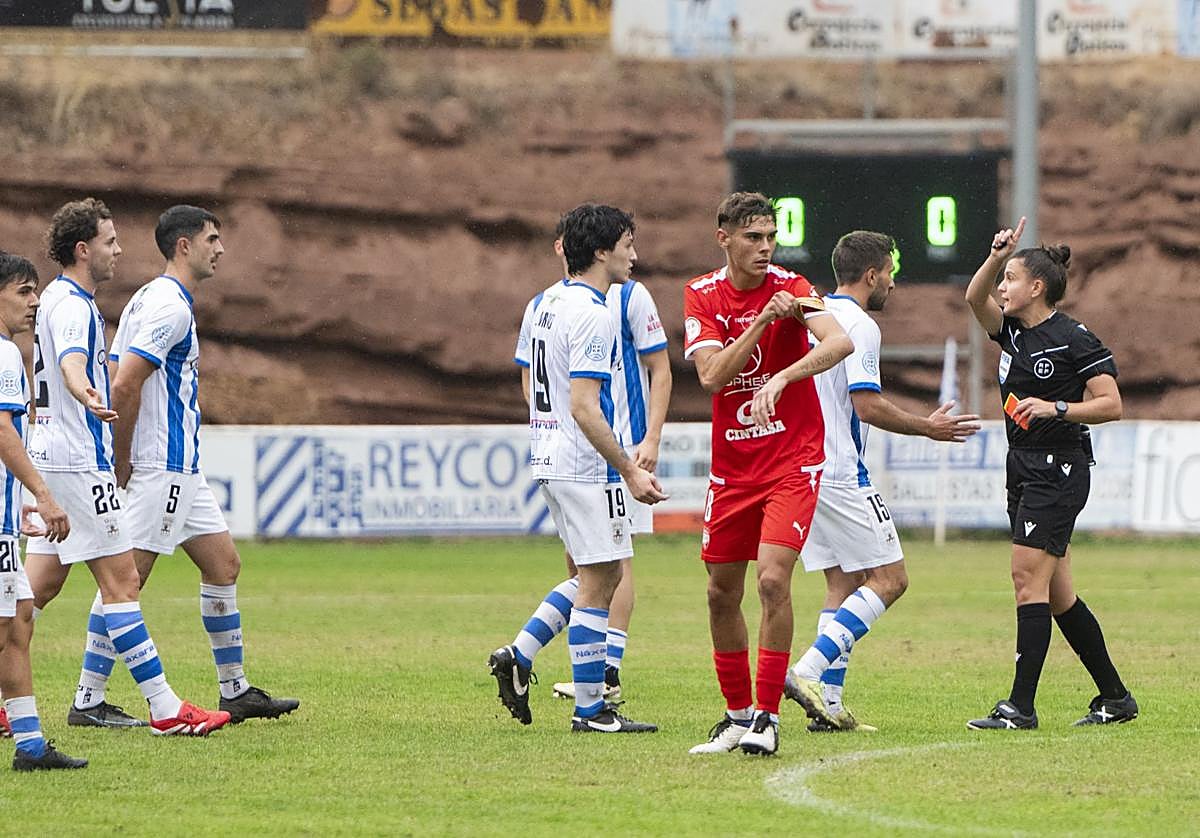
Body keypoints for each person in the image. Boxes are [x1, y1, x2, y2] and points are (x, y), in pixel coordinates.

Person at [54, 205, 297, 725]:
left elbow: (118, 366)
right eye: (212, 239)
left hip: (182, 468)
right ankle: (88, 700)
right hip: (160, 466)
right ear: (183, 245)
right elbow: (123, 383)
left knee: (223, 564)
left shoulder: (148, 298)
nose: (221, 248)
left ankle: (235, 690)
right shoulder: (170, 309)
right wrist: (122, 459)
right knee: (125, 580)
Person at [21, 198, 230, 736]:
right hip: (78, 462)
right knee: (122, 583)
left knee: (33, 590)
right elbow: (72, 361)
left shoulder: (60, 301)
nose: (120, 251)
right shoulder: (70, 305)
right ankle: (163, 708)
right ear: (84, 249)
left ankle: (28, 702)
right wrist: (85, 393)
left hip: (53, 457)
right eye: (111, 242)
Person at [783, 231, 980, 732]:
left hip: (802, 469)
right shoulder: (859, 326)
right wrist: (928, 428)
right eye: (890, 271)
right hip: (841, 471)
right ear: (872, 275)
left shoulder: (813, 316)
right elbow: (865, 404)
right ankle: (805, 671)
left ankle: (827, 707)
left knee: (843, 584)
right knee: (891, 580)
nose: (894, 281)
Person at [683, 192, 853, 756]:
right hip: (733, 470)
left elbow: (840, 341)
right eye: (752, 237)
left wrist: (782, 379)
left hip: (792, 460)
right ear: (723, 237)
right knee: (718, 593)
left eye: (770, 237)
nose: (764, 248)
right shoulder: (702, 295)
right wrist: (759, 324)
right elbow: (711, 377)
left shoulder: (794, 286)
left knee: (773, 581)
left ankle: (766, 718)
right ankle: (734, 718)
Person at [491, 203, 666, 734]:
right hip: (587, 465)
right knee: (603, 580)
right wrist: (628, 469)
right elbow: (585, 405)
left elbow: (531, 384)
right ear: (600, 251)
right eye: (627, 245)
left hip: (549, 457)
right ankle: (591, 709)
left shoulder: (541, 303)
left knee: (595, 574)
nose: (635, 254)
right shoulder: (594, 312)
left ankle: (520, 655)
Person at [963, 217, 1137, 730]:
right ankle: (1115, 697)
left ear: (1036, 287)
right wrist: (997, 256)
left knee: (1025, 580)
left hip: (1058, 470)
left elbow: (1111, 405)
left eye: (1011, 279)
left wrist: (1056, 408)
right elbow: (975, 299)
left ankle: (1020, 707)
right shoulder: (1013, 332)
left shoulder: (1074, 339)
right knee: (1058, 594)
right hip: (1022, 466)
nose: (1001, 287)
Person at [0, 252, 86, 769]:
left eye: (35, 292)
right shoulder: (5, 354)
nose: (35, 302)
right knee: (9, 627)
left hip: (5, 520)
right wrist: (47, 494)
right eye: (23, 292)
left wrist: (20, 502)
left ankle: (30, 745)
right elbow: (3, 431)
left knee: (20, 620)